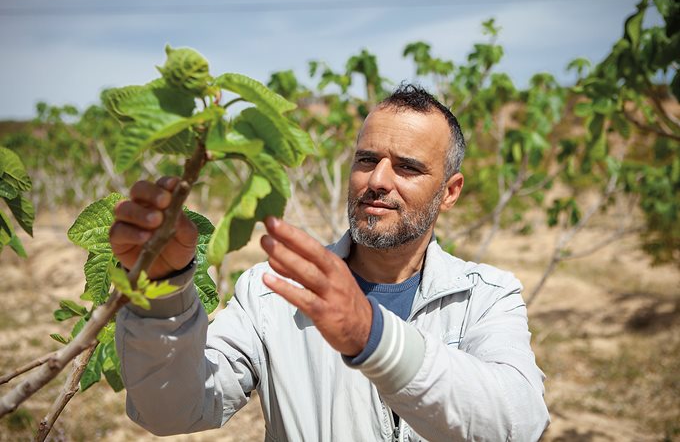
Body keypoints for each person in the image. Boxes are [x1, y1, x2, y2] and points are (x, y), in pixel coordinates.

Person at [111, 84, 550, 441]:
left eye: (408, 168)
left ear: (450, 192)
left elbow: (519, 423)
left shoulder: (485, 296)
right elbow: (171, 412)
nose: (377, 180)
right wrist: (165, 293)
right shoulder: (270, 292)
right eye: (366, 160)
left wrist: (373, 337)